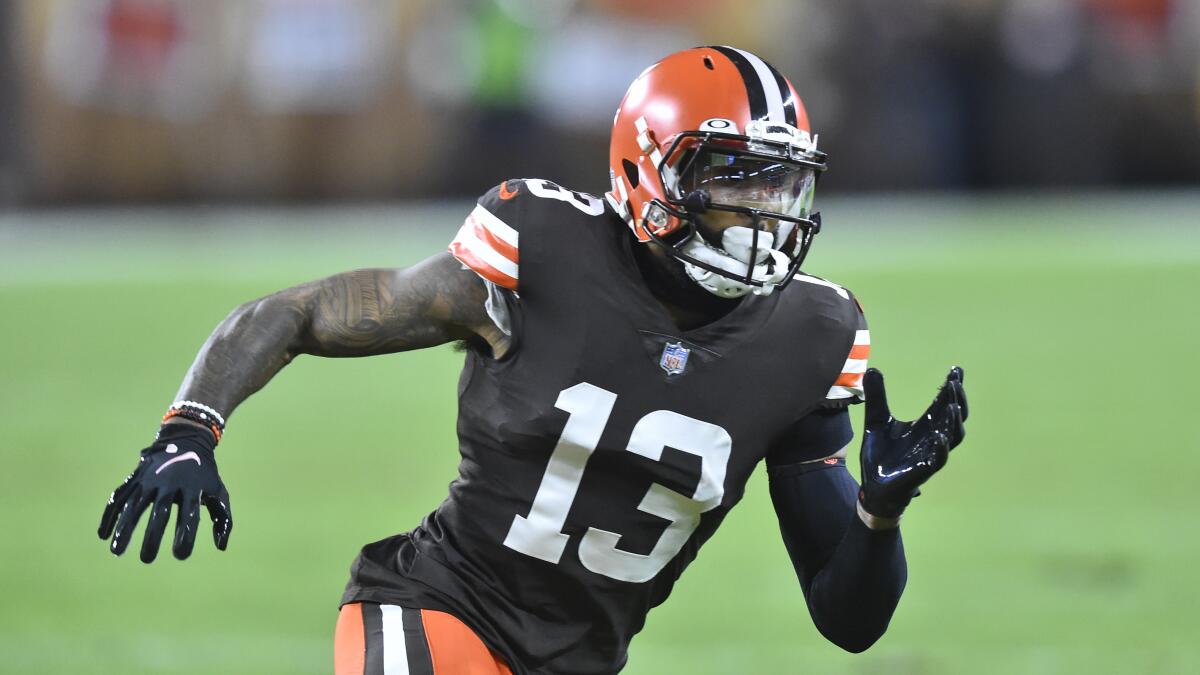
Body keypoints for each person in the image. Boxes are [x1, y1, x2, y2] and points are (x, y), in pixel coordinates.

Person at [98, 46, 969, 675]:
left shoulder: (810, 334)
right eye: (735, 180)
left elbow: (848, 623)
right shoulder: (541, 247)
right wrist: (190, 427)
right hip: (437, 609)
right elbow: (301, 312)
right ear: (652, 176)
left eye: (778, 185)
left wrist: (878, 516)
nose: (765, 212)